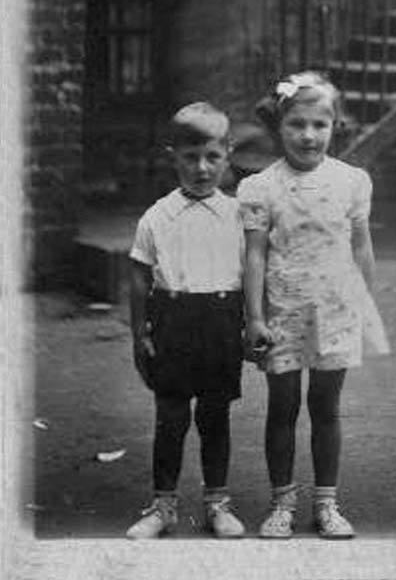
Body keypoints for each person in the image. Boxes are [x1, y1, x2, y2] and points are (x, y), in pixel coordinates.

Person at [237, 71, 389, 539]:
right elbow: (255, 253)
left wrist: (365, 303)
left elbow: (361, 246)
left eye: (319, 125)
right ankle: (282, 502)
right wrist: (256, 317)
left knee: (327, 405)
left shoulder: (351, 181)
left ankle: (327, 503)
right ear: (278, 127)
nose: (308, 135)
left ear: (334, 126)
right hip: (284, 309)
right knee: (283, 407)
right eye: (297, 124)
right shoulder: (261, 186)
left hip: (334, 311)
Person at [127, 102, 245, 539]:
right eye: (190, 156)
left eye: (212, 156)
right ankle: (163, 506)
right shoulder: (158, 216)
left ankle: (218, 504)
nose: (201, 167)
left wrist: (254, 324)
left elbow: (251, 274)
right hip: (173, 321)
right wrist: (139, 334)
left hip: (220, 322)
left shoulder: (237, 215)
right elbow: (139, 277)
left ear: (228, 153)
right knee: (171, 418)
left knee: (215, 418)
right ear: (172, 154)